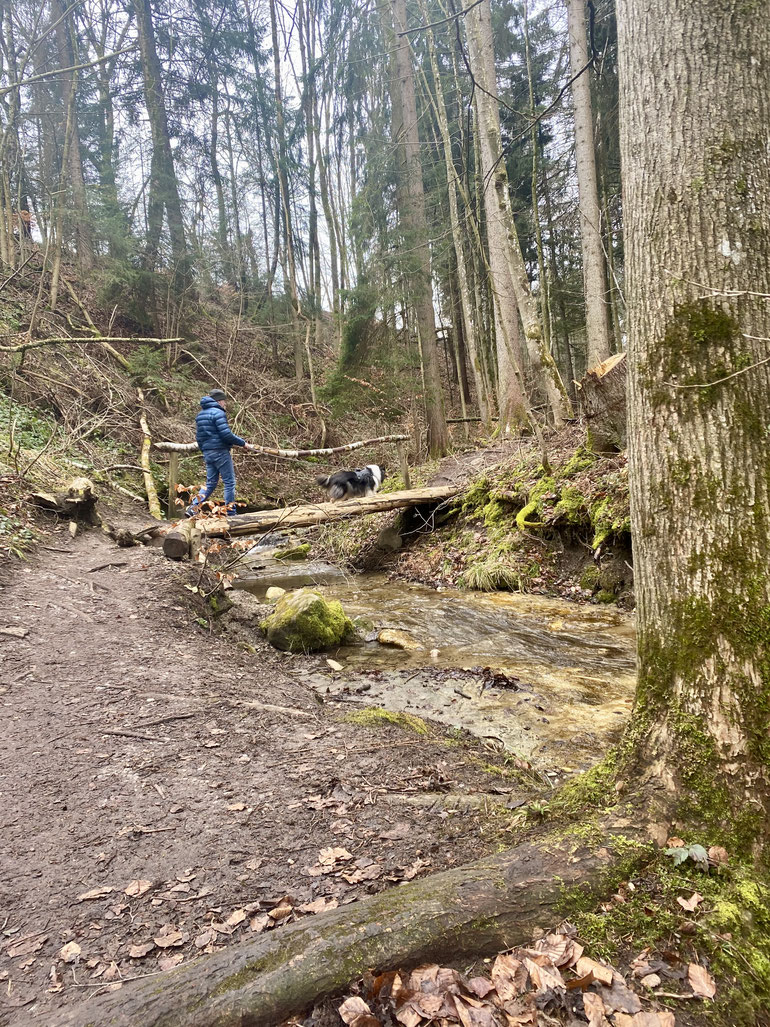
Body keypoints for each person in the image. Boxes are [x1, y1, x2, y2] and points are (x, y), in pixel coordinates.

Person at [186, 389, 253, 517]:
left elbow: (199, 437)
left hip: (208, 453)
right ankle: (231, 512)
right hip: (220, 452)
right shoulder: (218, 413)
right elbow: (226, 434)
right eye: (224, 401)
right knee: (229, 482)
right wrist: (243, 443)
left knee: (210, 483)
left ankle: (193, 508)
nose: (225, 404)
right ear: (219, 401)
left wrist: (205, 450)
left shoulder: (200, 415)